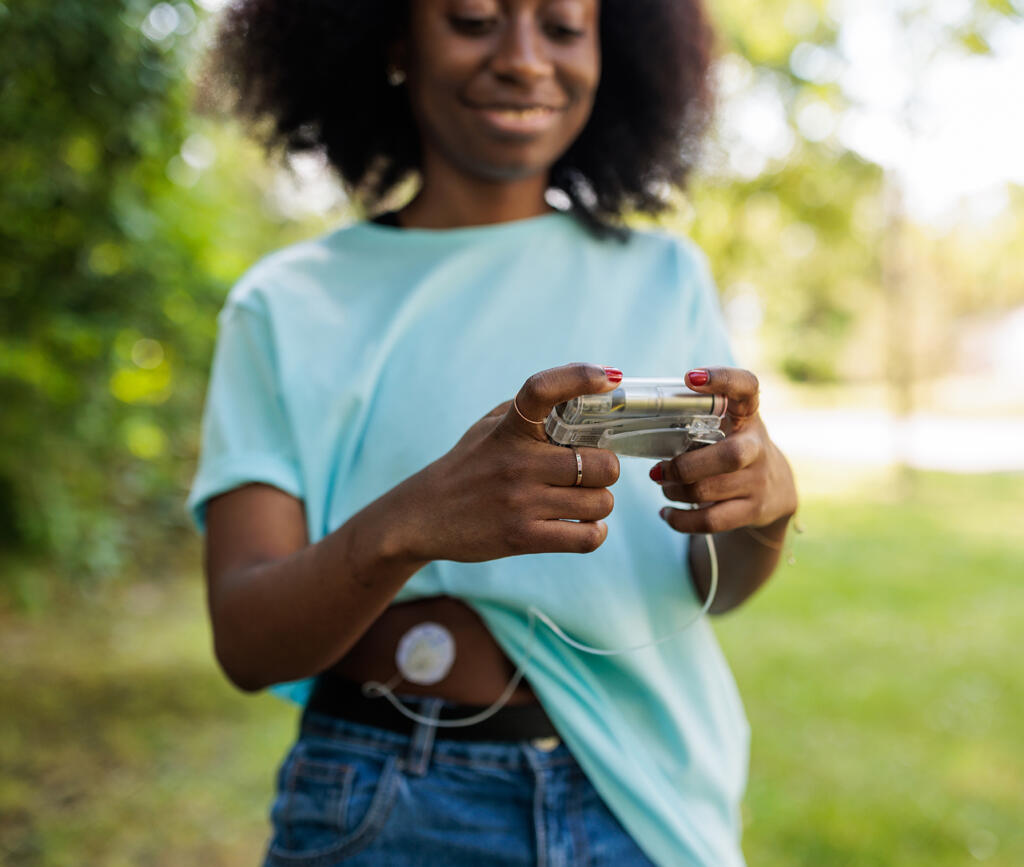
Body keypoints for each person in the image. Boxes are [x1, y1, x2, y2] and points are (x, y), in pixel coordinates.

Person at [187, 1, 798, 864]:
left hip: (643, 797)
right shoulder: (285, 304)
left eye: (561, 26)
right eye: (474, 19)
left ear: (611, 47)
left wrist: (766, 506)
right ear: (395, 37)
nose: (523, 59)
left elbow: (715, 585)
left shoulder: (666, 275)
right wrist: (412, 523)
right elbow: (247, 643)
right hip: (387, 802)